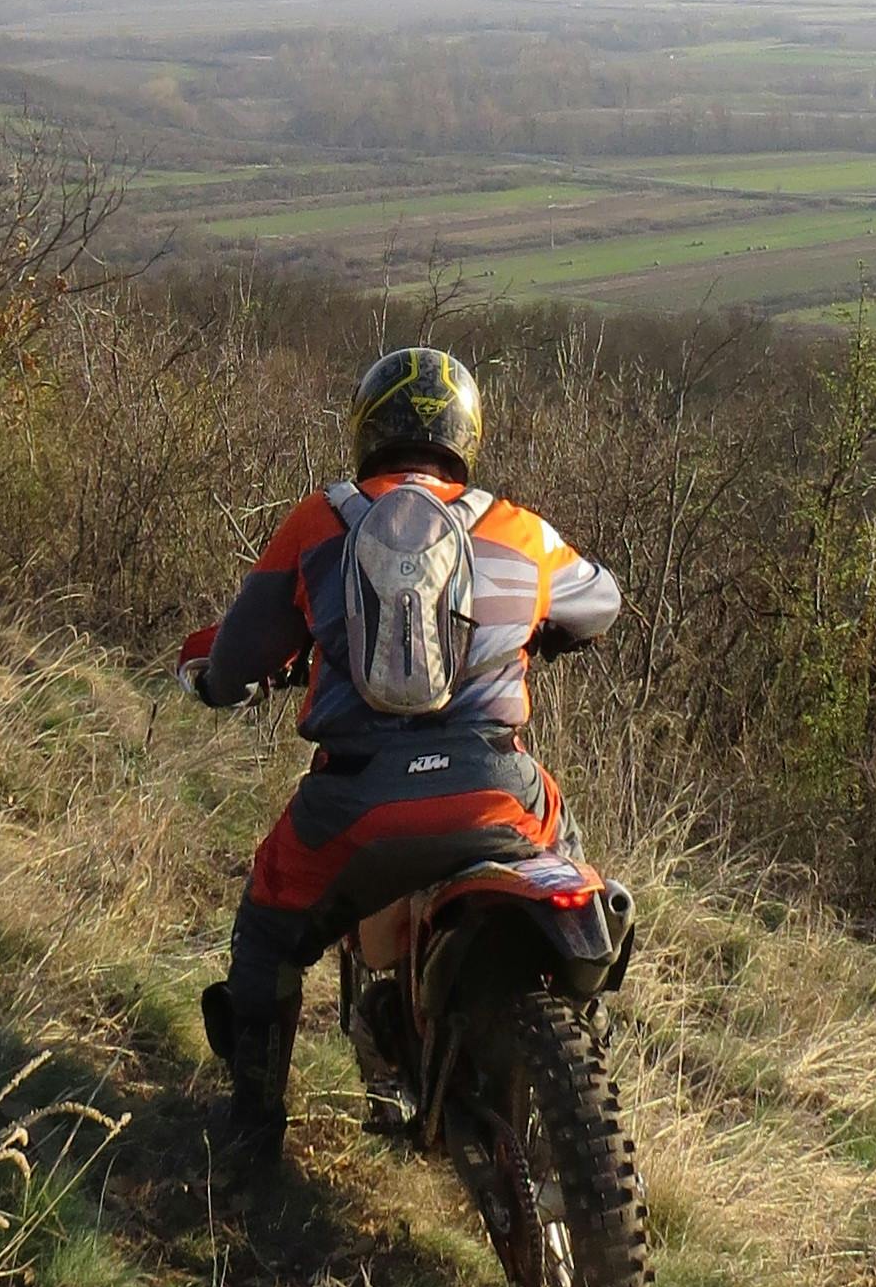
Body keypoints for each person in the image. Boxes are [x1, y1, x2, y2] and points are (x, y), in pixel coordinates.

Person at [176, 343, 621, 1174]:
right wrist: (541, 622)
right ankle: (586, 1036)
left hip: (357, 806)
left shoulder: (321, 522)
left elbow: (233, 662)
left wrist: (219, 676)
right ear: (467, 434)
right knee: (572, 861)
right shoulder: (517, 528)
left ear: (367, 429)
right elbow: (603, 601)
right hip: (500, 793)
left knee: (269, 930)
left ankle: (251, 1138)